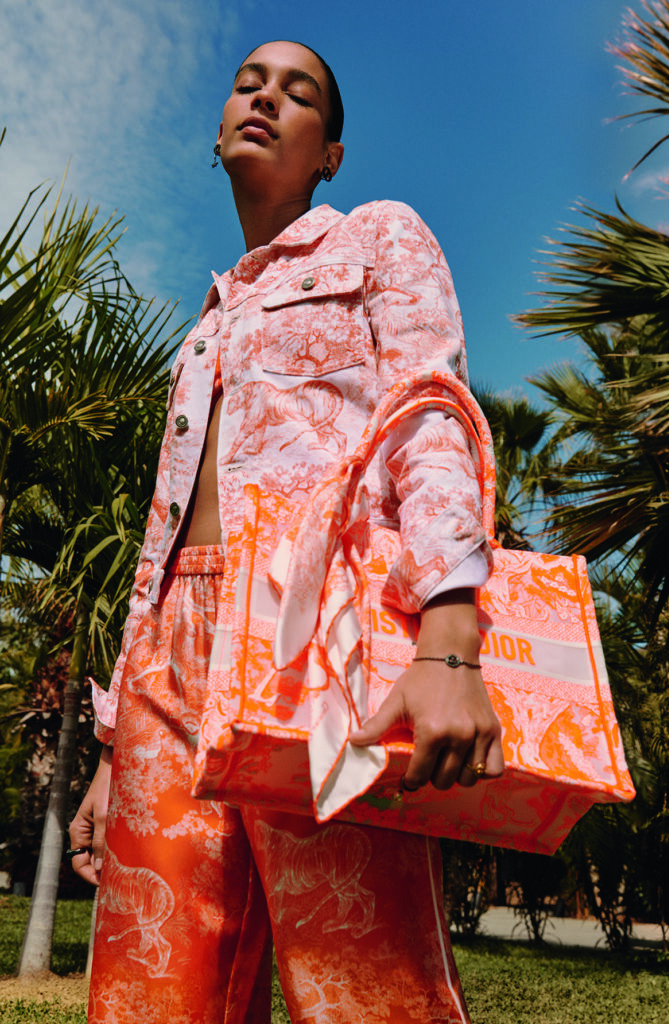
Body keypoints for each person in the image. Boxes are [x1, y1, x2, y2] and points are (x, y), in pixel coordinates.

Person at [69, 40, 504, 1024]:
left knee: (364, 990)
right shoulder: (205, 327)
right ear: (220, 128)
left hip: (313, 638)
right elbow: (159, 541)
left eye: (296, 92)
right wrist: (115, 747)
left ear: (330, 154)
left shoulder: (378, 235)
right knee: (149, 994)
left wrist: (449, 638)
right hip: (167, 662)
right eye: (247, 84)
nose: (264, 97)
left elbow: (427, 414)